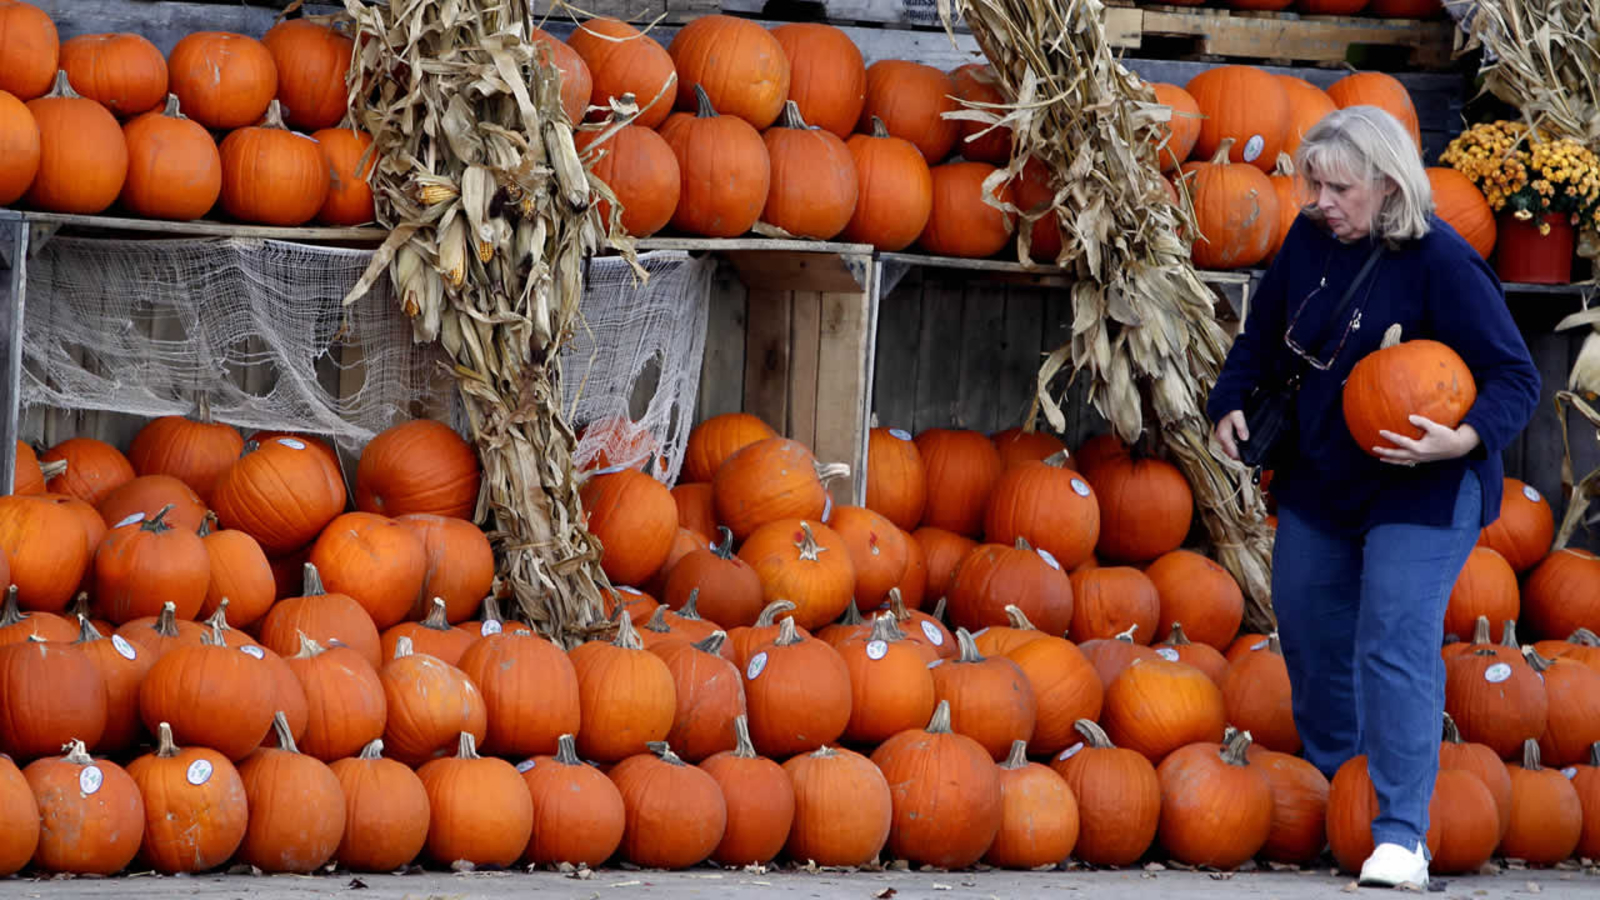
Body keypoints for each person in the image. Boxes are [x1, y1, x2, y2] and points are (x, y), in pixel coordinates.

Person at [1207, 106, 1540, 889]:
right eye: (1312, 182)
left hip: (1423, 485)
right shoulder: (1309, 240)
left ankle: (1400, 832)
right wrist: (1229, 399)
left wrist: (1462, 439)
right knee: (1307, 629)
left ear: (1388, 187)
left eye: (1338, 187)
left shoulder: (1442, 263)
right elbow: (1262, 338)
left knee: (1393, 635)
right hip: (1324, 477)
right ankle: (1345, 784)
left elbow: (1515, 376)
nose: (1320, 199)